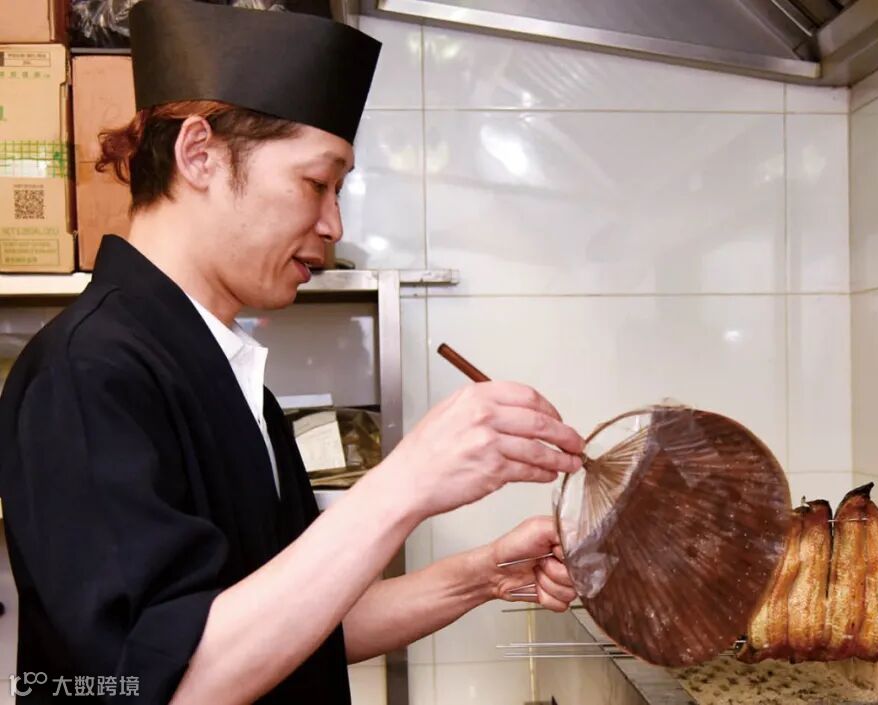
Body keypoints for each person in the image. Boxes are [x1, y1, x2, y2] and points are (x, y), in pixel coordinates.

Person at [0, 1, 585, 702]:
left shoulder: (225, 371)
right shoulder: (88, 373)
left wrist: (486, 575)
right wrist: (406, 483)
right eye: (317, 183)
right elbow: (168, 682)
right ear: (198, 154)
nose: (333, 224)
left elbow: (296, 628)